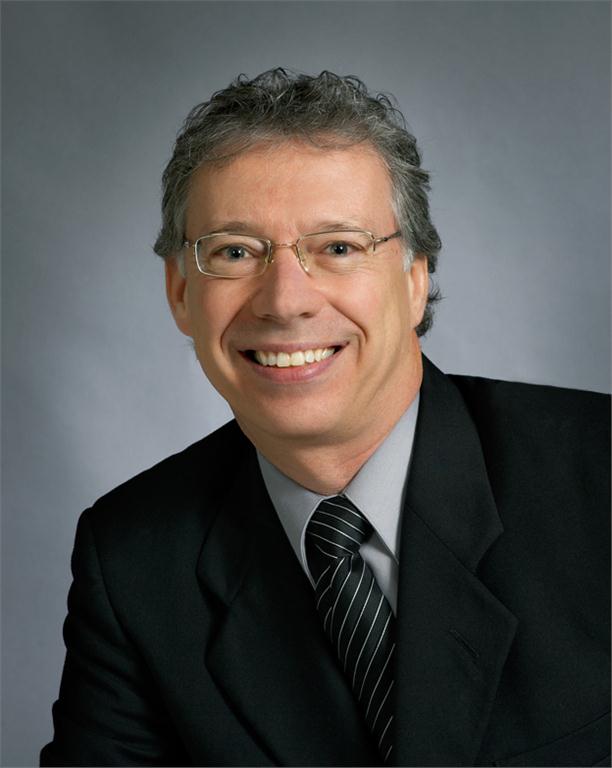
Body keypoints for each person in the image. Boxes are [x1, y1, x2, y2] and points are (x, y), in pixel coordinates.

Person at [41, 69, 609, 767]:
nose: (285, 301)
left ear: (415, 278)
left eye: (338, 247)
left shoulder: (598, 474)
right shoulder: (133, 560)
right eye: (234, 252)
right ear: (181, 292)